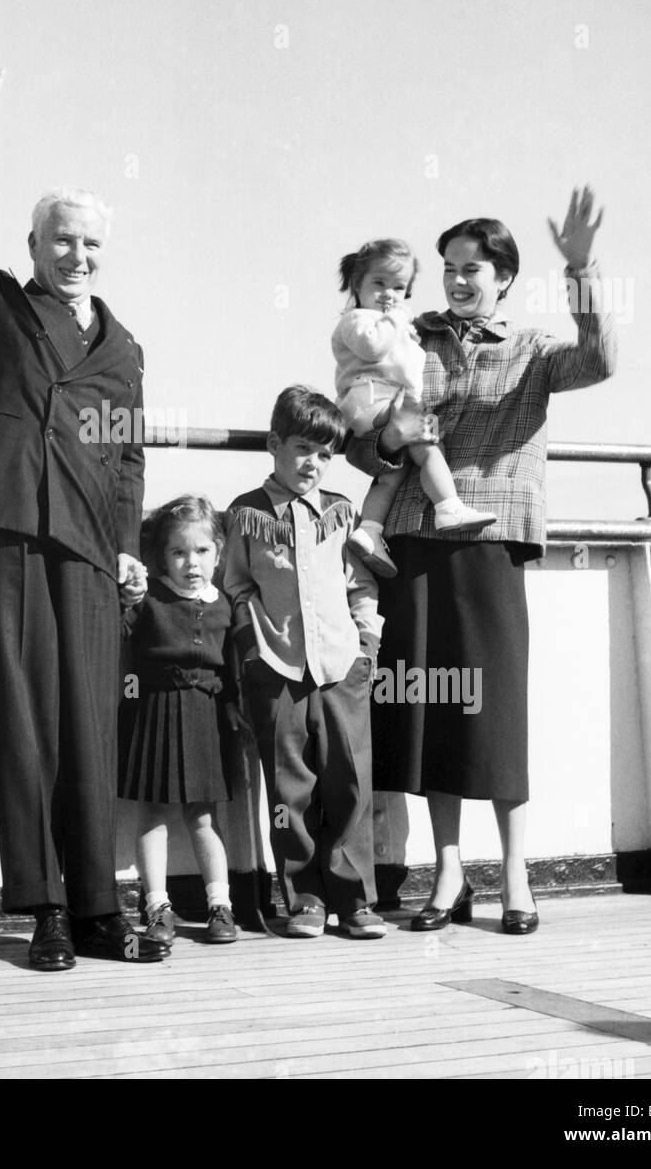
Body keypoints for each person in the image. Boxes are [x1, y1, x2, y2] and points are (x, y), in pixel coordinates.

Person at [0, 25, 168, 970]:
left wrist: (128, 541)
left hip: (87, 546)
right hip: (4, 535)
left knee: (88, 722)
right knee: (23, 719)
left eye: (91, 243)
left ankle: (100, 906)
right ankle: (43, 909)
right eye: (61, 239)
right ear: (32, 244)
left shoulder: (125, 346)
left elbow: (129, 456)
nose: (76, 254)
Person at [346, 188, 616, 935]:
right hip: (413, 541)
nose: (457, 280)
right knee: (431, 708)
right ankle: (450, 875)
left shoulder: (529, 350)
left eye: (473, 267)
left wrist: (583, 268)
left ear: (503, 275)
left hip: (490, 543)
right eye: (448, 268)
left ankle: (518, 878)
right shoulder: (410, 336)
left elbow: (599, 360)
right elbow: (361, 436)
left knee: (493, 717)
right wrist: (390, 440)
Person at [223, 386, 387, 938]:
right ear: (274, 445)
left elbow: (360, 584)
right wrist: (254, 657)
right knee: (290, 790)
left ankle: (356, 899)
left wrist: (366, 649)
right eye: (301, 449)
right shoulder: (246, 514)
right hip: (278, 669)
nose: (312, 464)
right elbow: (236, 589)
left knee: (350, 783)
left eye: (324, 454)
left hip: (343, 668)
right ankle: (306, 899)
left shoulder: (341, 512)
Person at [333, 237, 495, 578]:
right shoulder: (357, 320)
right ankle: (448, 506)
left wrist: (405, 336)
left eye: (398, 287)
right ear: (356, 284)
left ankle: (370, 528)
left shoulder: (396, 326)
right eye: (378, 283)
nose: (388, 294)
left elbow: (404, 362)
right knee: (429, 444)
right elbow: (373, 346)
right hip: (371, 397)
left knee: (393, 471)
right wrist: (396, 323)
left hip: (389, 400)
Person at [119, 496, 240, 946]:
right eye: (179, 552)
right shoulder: (148, 599)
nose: (192, 563)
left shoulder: (224, 605)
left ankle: (219, 905)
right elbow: (116, 632)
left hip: (204, 716)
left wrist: (232, 707)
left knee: (203, 817)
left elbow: (228, 668)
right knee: (153, 814)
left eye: (202, 551)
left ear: (218, 552)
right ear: (162, 557)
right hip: (153, 711)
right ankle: (156, 905)